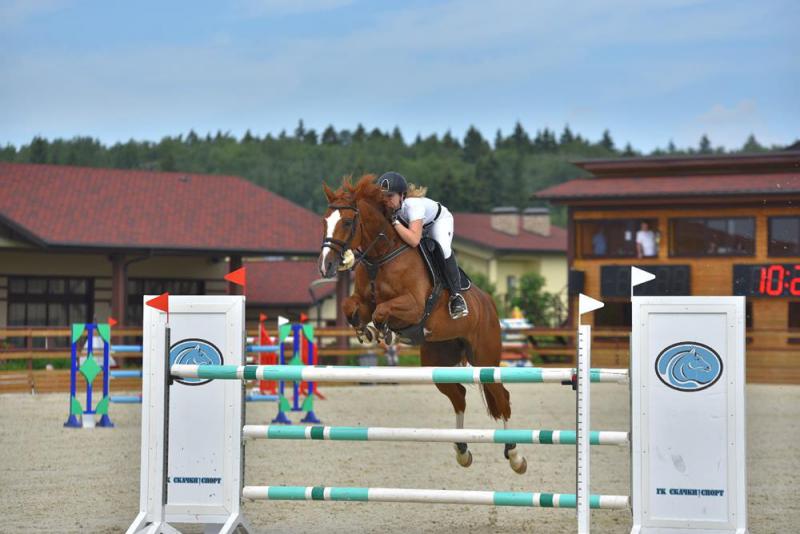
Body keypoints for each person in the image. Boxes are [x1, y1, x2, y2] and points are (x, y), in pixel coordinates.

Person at [377, 171, 469, 319]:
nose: (386, 200)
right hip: (417, 227)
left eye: (390, 196)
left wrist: (394, 222)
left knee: (443, 248)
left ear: (402, 195)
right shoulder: (389, 207)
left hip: (438, 222)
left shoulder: (413, 205)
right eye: (383, 196)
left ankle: (456, 296)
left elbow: (414, 240)